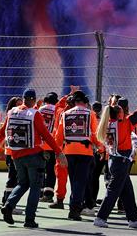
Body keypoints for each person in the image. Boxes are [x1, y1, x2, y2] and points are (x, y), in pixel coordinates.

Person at [0, 88, 61, 229]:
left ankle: (9, 205)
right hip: (33, 154)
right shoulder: (34, 114)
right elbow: (46, 134)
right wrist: (58, 151)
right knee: (35, 186)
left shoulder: (12, 112)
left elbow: (2, 132)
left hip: (16, 155)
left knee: (22, 183)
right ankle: (29, 219)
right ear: (33, 100)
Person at [92, 93, 137, 229]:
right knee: (113, 191)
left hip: (115, 161)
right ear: (120, 114)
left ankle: (133, 219)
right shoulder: (124, 123)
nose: (125, 112)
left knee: (127, 191)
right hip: (121, 162)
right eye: (123, 110)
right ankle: (100, 217)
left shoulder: (108, 123)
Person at [52, 89, 102, 221]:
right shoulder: (90, 114)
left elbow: (59, 135)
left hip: (68, 151)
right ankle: (74, 209)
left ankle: (74, 205)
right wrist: (101, 148)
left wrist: (58, 152)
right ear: (85, 102)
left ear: (74, 102)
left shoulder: (66, 113)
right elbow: (95, 134)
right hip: (85, 152)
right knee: (80, 181)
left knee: (74, 180)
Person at [37, 92, 59, 203]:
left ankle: (38, 192)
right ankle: (48, 194)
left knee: (40, 169)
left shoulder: (40, 109)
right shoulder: (57, 110)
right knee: (51, 170)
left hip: (39, 144)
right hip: (51, 143)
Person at [85, 100, 107, 210]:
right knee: (95, 177)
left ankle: (90, 200)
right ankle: (92, 199)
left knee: (90, 177)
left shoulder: (90, 119)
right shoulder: (104, 121)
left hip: (93, 151)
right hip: (101, 151)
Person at [0, 96, 22, 207]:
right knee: (13, 177)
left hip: (17, 151)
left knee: (15, 177)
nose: (20, 106)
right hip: (11, 151)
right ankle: (8, 202)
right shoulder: (11, 117)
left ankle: (7, 200)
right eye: (17, 104)